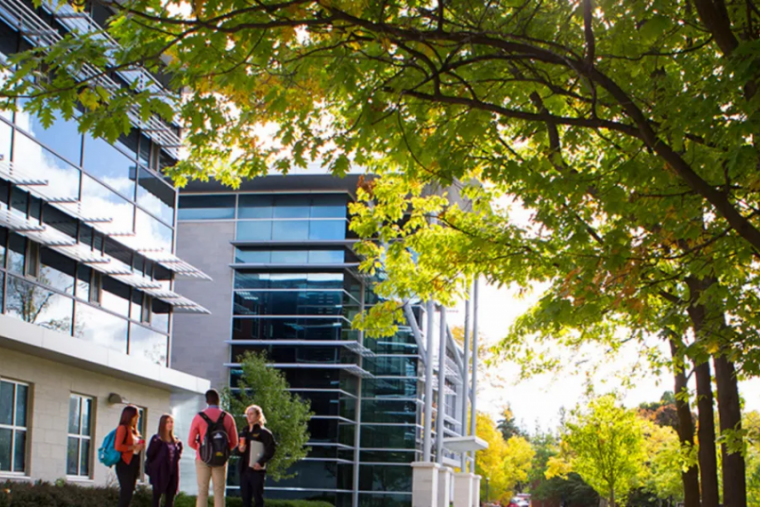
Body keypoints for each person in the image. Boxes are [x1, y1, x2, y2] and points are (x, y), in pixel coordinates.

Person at [188, 389, 238, 507]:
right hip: (220, 459)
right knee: (219, 492)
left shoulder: (199, 417)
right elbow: (234, 442)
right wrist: (223, 450)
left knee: (202, 491)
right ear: (218, 400)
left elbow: (190, 441)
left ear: (207, 401)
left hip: (203, 459)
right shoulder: (228, 417)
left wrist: (201, 449)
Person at [236, 405, 276, 507]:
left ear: (258, 416)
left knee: (258, 498)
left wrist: (261, 462)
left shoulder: (264, 433)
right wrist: (240, 450)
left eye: (251, 414)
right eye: (247, 414)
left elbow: (271, 449)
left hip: (257, 470)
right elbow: (238, 451)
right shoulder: (244, 432)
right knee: (245, 499)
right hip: (244, 469)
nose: (248, 416)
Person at [146, 414, 183, 507]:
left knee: (170, 499)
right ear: (163, 424)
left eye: (171, 422)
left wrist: (179, 447)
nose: (170, 424)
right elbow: (150, 454)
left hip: (172, 472)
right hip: (160, 472)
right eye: (167, 422)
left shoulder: (175, 441)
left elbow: (177, 456)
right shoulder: (157, 439)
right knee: (156, 498)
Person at [114, 405, 145, 507]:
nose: (137, 419)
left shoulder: (134, 430)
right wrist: (133, 447)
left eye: (138, 417)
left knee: (130, 492)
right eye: (135, 417)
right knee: (126, 493)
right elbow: (118, 446)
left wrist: (139, 447)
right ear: (129, 416)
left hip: (134, 463)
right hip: (124, 464)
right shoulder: (122, 428)